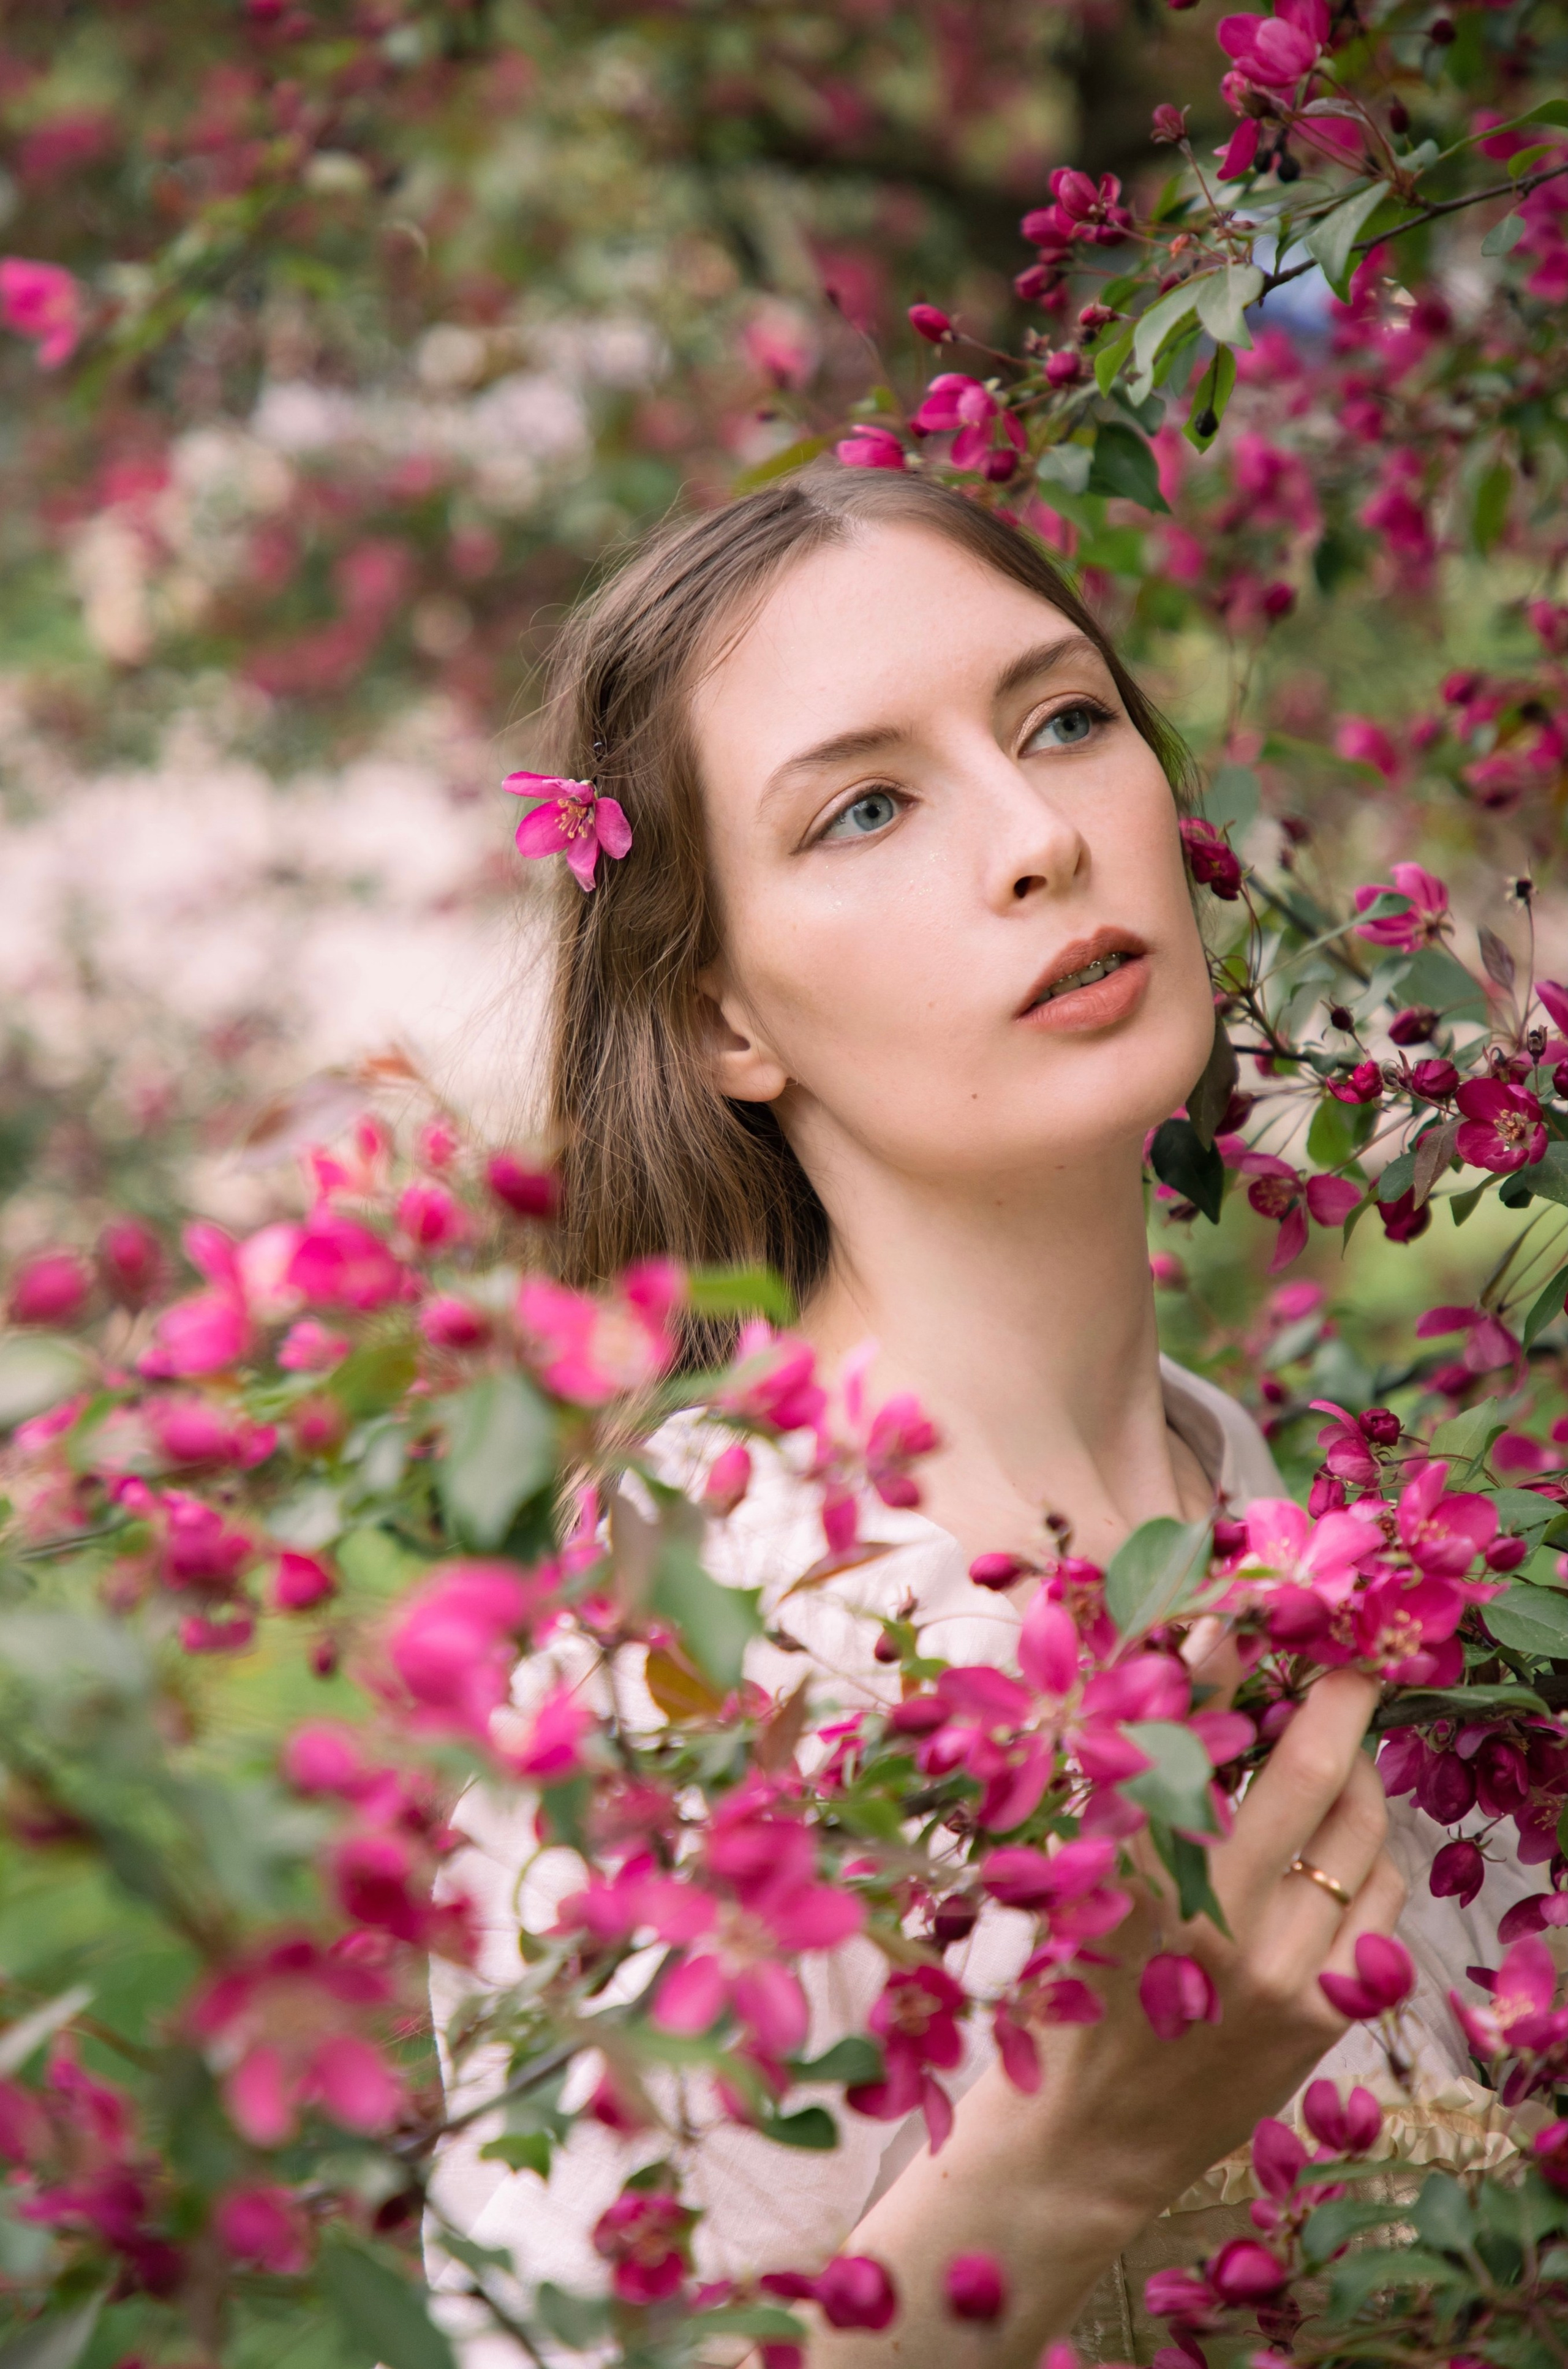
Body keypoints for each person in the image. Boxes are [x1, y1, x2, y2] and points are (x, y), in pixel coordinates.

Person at [429, 469, 1534, 2366]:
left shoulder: (1376, 1586)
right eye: (865, 806)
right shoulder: (679, 1691)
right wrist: (1065, 2173)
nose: (1038, 836)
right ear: (718, 1020)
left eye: (1066, 720)